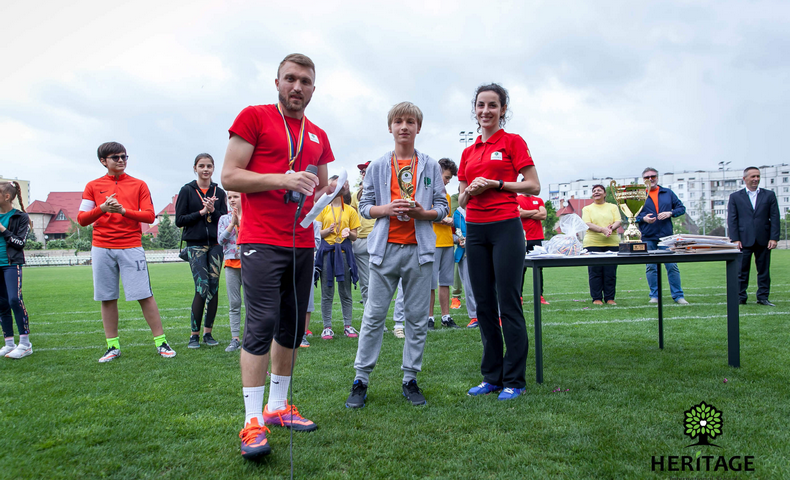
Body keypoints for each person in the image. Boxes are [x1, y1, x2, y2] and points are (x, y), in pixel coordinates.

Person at [221, 53, 332, 460]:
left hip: (301, 241)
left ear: (313, 89)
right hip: (261, 239)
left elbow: (318, 185)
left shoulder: (318, 134)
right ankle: (252, 421)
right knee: (262, 321)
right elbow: (230, 175)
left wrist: (326, 192)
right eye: (291, 79)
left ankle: (278, 406)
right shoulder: (254, 117)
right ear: (277, 82)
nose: (297, 87)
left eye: (305, 81)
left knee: (291, 325)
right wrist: (281, 179)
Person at [344, 101, 448, 409]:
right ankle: (360, 380)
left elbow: (442, 207)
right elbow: (364, 207)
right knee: (374, 317)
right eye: (398, 121)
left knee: (416, 320)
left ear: (418, 127)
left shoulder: (429, 166)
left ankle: (410, 379)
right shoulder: (378, 166)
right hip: (384, 251)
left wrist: (423, 212)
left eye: (410, 122)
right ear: (390, 128)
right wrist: (386, 210)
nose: (404, 126)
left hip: (420, 253)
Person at [458, 83, 540, 401]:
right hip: (476, 233)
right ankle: (491, 376)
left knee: (509, 303)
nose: (486, 111)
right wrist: (470, 191)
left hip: (506, 228)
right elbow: (462, 199)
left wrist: (495, 183)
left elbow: (532, 184)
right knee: (484, 306)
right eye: (481, 105)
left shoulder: (513, 142)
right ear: (475, 109)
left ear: (502, 109)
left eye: (493, 105)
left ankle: (514, 380)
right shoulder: (468, 151)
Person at [77, 142, 176, 362]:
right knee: (107, 297)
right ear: (104, 161)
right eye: (115, 157)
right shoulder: (93, 186)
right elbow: (82, 219)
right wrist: (102, 208)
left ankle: (161, 342)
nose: (121, 160)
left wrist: (123, 211)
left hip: (131, 246)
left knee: (145, 296)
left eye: (124, 156)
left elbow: (150, 216)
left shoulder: (139, 184)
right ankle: (112, 347)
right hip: (101, 247)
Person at [176, 153, 228, 348]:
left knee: (213, 288)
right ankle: (193, 335)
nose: (205, 169)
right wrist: (201, 212)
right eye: (202, 166)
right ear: (195, 168)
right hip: (195, 245)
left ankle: (208, 333)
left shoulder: (219, 192)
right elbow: (179, 220)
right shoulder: (187, 191)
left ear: (213, 169)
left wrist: (213, 211)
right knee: (202, 287)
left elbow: (224, 220)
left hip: (216, 245)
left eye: (209, 166)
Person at [727, 166, 781, 306]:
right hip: (743, 240)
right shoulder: (735, 197)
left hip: (764, 239)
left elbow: (775, 217)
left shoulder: (769, 195)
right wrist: (735, 239)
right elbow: (732, 219)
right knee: (741, 271)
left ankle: (763, 297)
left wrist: (774, 237)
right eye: (753, 176)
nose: (756, 179)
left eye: (758, 176)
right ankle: (740, 297)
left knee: (763, 271)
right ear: (744, 179)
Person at [635, 167, 689, 305]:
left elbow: (681, 208)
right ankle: (655, 295)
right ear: (643, 180)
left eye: (653, 176)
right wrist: (643, 218)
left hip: (666, 236)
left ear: (657, 177)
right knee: (651, 267)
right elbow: (632, 215)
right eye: (647, 177)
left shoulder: (668, 193)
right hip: (648, 236)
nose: (650, 179)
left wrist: (670, 213)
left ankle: (678, 296)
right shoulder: (639, 195)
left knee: (672, 266)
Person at [315, 176, 360, 339]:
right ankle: (327, 327)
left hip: (344, 255)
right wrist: (327, 231)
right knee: (327, 292)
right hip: (327, 254)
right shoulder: (323, 209)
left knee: (346, 291)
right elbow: (316, 233)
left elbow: (355, 236)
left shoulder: (350, 210)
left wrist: (349, 234)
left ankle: (348, 325)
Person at [0, 181, 32, 359]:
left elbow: (19, 243)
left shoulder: (21, 217)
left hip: (11, 264)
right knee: (1, 304)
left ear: (6, 197)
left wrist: (2, 229)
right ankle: (9, 343)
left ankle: (25, 344)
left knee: (14, 300)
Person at [428, 158, 460, 330]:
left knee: (445, 282)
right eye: (447, 177)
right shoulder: (428, 192)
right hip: (433, 242)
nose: (448, 181)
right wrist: (446, 220)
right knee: (431, 283)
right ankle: (429, 317)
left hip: (447, 242)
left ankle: (446, 317)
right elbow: (430, 214)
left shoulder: (447, 195)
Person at [581, 185, 622, 305]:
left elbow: (618, 221)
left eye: (599, 190)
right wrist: (602, 230)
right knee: (595, 272)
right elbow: (587, 223)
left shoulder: (613, 207)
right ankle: (597, 298)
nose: (596, 192)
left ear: (605, 194)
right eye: (594, 191)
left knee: (610, 272)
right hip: (592, 243)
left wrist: (611, 228)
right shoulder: (587, 209)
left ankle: (610, 298)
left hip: (612, 243)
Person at [218, 190, 243, 351]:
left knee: (251, 303)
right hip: (231, 264)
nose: (232, 200)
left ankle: (250, 337)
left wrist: (240, 223)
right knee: (234, 303)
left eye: (236, 196)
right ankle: (235, 338)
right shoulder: (224, 219)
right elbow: (221, 240)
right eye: (230, 197)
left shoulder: (250, 216)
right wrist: (232, 224)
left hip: (250, 264)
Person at [351, 161, 376, 308]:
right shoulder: (355, 195)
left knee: (380, 283)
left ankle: (380, 318)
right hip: (360, 241)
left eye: (366, 170)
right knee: (366, 284)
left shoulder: (382, 191)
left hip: (379, 239)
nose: (363, 173)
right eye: (362, 171)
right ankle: (370, 317)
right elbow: (352, 218)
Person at [516, 193, 548, 305]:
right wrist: (535, 211)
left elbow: (543, 215)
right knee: (520, 269)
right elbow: (518, 213)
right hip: (522, 238)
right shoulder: (517, 199)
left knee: (539, 268)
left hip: (537, 237)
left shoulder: (538, 200)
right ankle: (519, 296)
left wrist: (526, 213)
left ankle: (540, 296)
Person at [452, 204, 478, 328]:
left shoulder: (481, 207)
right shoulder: (457, 213)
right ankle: (474, 316)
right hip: (464, 254)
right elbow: (451, 234)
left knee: (491, 284)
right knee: (469, 287)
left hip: (483, 251)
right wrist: (458, 240)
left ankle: (497, 315)